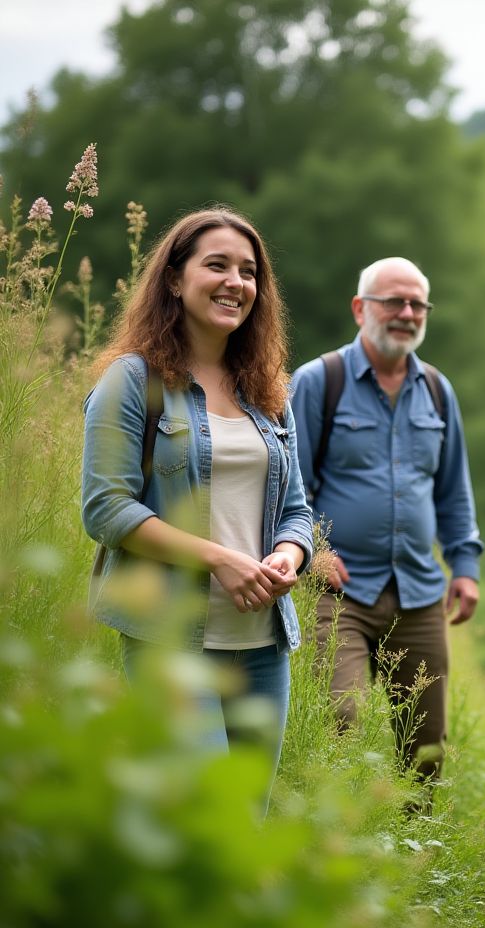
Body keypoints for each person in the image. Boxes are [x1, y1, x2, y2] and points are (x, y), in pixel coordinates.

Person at [82, 207, 314, 812]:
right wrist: (220, 560)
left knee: (246, 823)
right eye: (216, 265)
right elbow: (106, 509)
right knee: (206, 811)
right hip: (170, 636)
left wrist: (288, 556)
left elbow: (295, 508)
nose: (235, 281)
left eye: (248, 270)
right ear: (175, 279)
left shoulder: (269, 390)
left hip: (262, 641)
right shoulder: (132, 382)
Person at [290, 257, 482, 792]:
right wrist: (310, 550)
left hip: (419, 592)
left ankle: (414, 863)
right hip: (336, 590)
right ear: (360, 309)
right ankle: (332, 849)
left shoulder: (438, 392)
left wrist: (464, 567)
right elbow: (286, 484)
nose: (406, 313)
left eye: (417, 303)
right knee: (338, 723)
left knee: (424, 746)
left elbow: (453, 491)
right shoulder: (318, 382)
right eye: (392, 302)